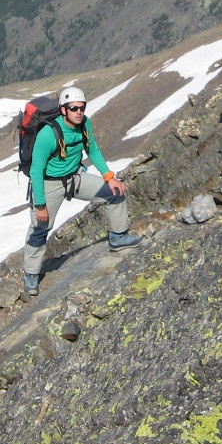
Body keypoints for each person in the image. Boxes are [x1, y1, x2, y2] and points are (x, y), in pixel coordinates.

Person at [22, 85, 141, 295]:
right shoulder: (48, 134)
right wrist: (40, 204)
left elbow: (92, 149)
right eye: (74, 108)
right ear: (63, 110)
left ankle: (118, 237)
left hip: (75, 177)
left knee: (115, 192)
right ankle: (31, 274)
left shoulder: (85, 124)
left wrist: (109, 177)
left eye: (82, 108)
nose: (79, 112)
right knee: (40, 227)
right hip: (49, 183)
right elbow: (36, 171)